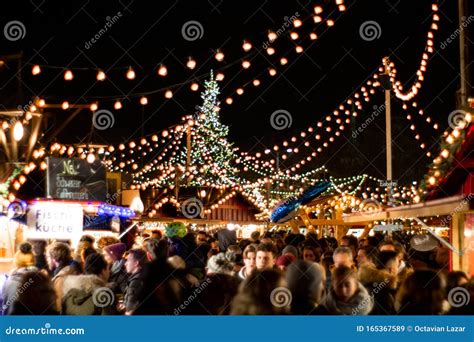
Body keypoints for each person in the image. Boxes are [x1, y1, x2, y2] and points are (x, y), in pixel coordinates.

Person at [2, 242, 38, 314]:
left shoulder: (9, 282)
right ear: (33, 261)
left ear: (16, 262)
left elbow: (5, 307)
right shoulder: (41, 280)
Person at [46, 242, 81, 310]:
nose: (47, 260)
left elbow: (58, 306)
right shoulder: (71, 269)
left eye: (47, 257)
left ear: (54, 258)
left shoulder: (61, 277)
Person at [123, 249, 147, 315]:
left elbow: (130, 309)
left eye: (128, 260)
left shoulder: (136, 281)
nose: (125, 263)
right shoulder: (142, 276)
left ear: (136, 263)